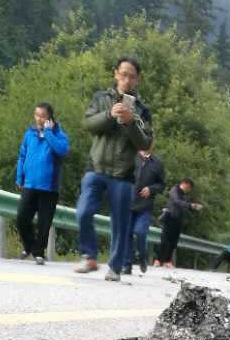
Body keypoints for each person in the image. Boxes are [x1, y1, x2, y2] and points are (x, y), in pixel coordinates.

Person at [75, 56, 153, 282]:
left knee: (120, 224)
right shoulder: (101, 98)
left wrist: (130, 122)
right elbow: (89, 124)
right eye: (123, 74)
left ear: (137, 80)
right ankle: (89, 255)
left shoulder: (142, 110)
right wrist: (110, 114)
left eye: (132, 76)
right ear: (115, 73)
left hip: (123, 174)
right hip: (96, 167)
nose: (127, 79)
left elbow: (145, 144)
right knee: (83, 212)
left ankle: (115, 268)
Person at [15, 103, 69, 264]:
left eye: (43, 115)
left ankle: (39, 252)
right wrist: (19, 176)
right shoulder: (29, 133)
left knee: (44, 223)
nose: (39, 118)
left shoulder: (59, 134)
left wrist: (48, 133)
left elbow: (62, 150)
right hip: (30, 184)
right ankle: (29, 246)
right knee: (22, 218)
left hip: (49, 187)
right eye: (37, 115)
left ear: (50, 118)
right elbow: (22, 155)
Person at [124, 144, 165, 275]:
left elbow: (162, 185)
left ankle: (142, 256)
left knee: (140, 232)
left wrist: (151, 189)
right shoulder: (130, 157)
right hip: (128, 203)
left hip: (145, 206)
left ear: (153, 144)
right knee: (127, 235)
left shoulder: (157, 163)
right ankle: (127, 265)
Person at [152, 179, 203, 268]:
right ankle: (158, 260)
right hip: (170, 217)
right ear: (185, 184)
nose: (189, 190)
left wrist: (194, 207)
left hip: (178, 220)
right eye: (189, 188)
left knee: (173, 242)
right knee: (164, 240)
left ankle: (167, 261)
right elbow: (177, 201)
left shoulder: (183, 195)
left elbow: (183, 205)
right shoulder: (174, 190)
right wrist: (191, 205)